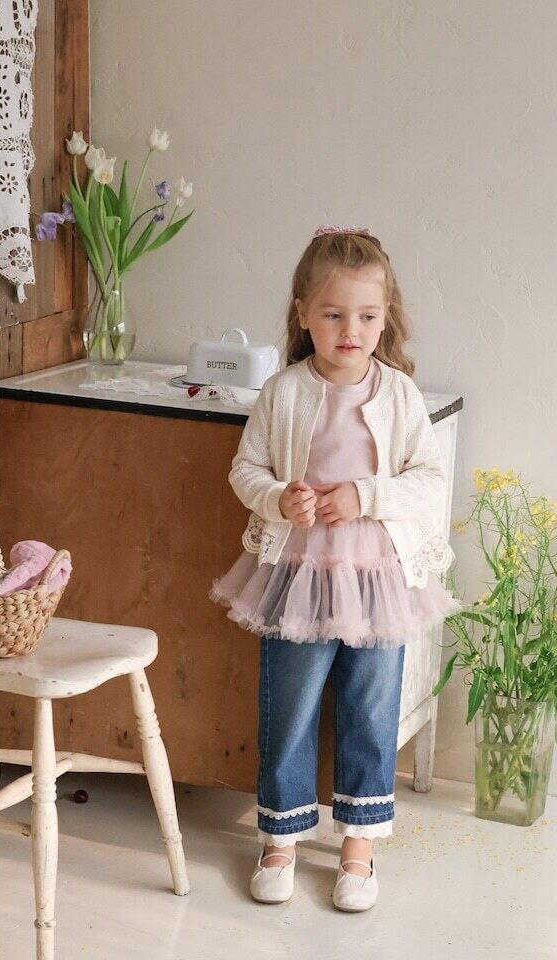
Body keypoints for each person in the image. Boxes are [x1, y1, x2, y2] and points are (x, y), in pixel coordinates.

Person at [208, 224, 462, 911]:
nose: (352, 330)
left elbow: (427, 479)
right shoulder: (283, 392)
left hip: (377, 579)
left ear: (387, 318)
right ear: (303, 315)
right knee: (288, 705)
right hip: (297, 574)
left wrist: (364, 496)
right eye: (334, 314)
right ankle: (281, 836)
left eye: (368, 316)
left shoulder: (400, 395)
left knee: (369, 707)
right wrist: (278, 498)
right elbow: (246, 469)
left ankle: (359, 843)